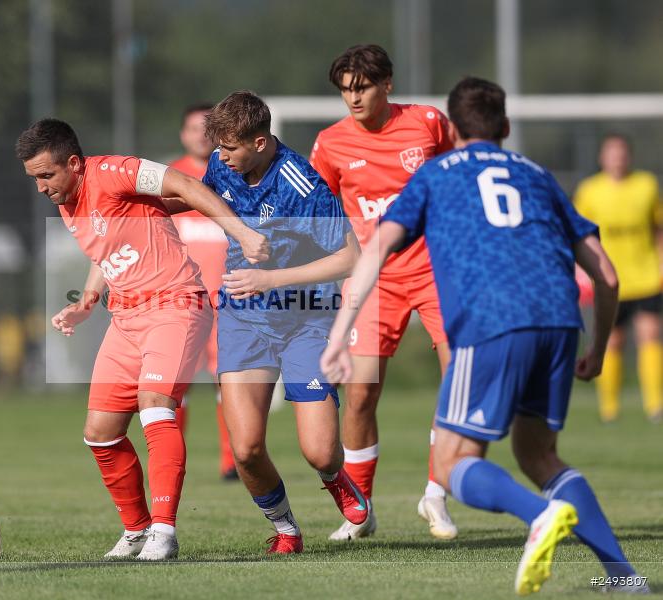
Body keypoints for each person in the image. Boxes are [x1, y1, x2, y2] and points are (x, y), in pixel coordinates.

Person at [322, 76, 648, 595]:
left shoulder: (434, 175)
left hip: (493, 321)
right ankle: (624, 577)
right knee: (539, 454)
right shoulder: (538, 174)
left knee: (454, 465)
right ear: (507, 127)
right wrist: (598, 348)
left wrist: (339, 334)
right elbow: (606, 275)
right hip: (562, 321)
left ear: (451, 128)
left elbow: (378, 249)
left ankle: (541, 516)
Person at [16, 118, 268, 561]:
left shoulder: (117, 171)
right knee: (100, 433)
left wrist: (242, 232)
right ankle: (135, 532)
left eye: (45, 175)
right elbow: (108, 253)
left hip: (175, 305)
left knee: (155, 406)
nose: (40, 187)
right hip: (126, 318)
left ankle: (164, 533)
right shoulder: (68, 200)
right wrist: (87, 301)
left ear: (73, 163)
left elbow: (186, 185)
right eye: (33, 178)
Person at [202, 90, 368, 554]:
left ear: (259, 143)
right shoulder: (223, 164)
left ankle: (336, 478)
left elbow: (351, 257)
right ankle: (286, 530)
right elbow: (198, 195)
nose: (220, 158)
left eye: (230, 148)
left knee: (318, 450)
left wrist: (271, 278)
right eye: (218, 148)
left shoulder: (302, 186)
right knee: (247, 449)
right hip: (244, 318)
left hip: (308, 320)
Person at [309, 44, 457, 540]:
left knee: (457, 380)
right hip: (374, 279)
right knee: (359, 397)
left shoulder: (429, 123)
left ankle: (436, 494)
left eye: (363, 87)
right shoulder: (330, 143)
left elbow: (463, 178)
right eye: (345, 89)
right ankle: (361, 510)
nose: (353, 97)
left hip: (437, 270)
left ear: (387, 84)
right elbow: (320, 207)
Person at [168, 103, 238, 480]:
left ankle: (234, 460)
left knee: (229, 383)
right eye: (194, 128)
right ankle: (171, 462)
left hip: (229, 301)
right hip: (182, 301)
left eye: (208, 128)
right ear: (183, 134)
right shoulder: (168, 177)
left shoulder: (234, 171)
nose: (201, 134)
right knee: (174, 387)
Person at [574, 134, 663, 424]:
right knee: (612, 341)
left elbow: (657, 228)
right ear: (602, 157)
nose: (618, 158)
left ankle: (655, 405)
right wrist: (581, 272)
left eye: (622, 153)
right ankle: (609, 409)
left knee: (649, 335)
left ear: (630, 156)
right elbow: (578, 235)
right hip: (606, 276)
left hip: (646, 276)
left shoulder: (646, 185)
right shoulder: (590, 191)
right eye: (612, 153)